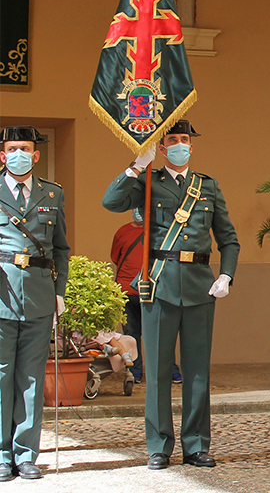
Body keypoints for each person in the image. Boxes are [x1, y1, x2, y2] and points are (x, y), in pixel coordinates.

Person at [102, 119, 239, 469]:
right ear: (161, 148)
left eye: (184, 140)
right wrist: (137, 165)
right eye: (172, 140)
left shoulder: (208, 186)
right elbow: (110, 201)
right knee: (160, 372)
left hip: (199, 285)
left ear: (191, 147)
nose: (179, 145)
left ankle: (196, 445)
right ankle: (158, 446)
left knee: (196, 372)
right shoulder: (148, 182)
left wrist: (226, 274)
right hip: (159, 287)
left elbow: (228, 238)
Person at [0, 126, 69, 481]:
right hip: (1, 294)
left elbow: (61, 248)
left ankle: (26, 453)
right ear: (2, 155)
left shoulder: (52, 194)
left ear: (36, 154)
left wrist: (59, 292)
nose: (19, 154)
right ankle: (0, 452)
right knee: (1, 374)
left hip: (40, 295)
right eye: (12, 148)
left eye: (25, 148)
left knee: (30, 376)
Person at [111, 209, 146, 382]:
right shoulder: (122, 232)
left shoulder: (159, 231)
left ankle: (167, 371)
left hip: (150, 291)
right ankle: (135, 370)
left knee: (158, 334)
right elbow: (116, 257)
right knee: (131, 333)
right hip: (127, 292)